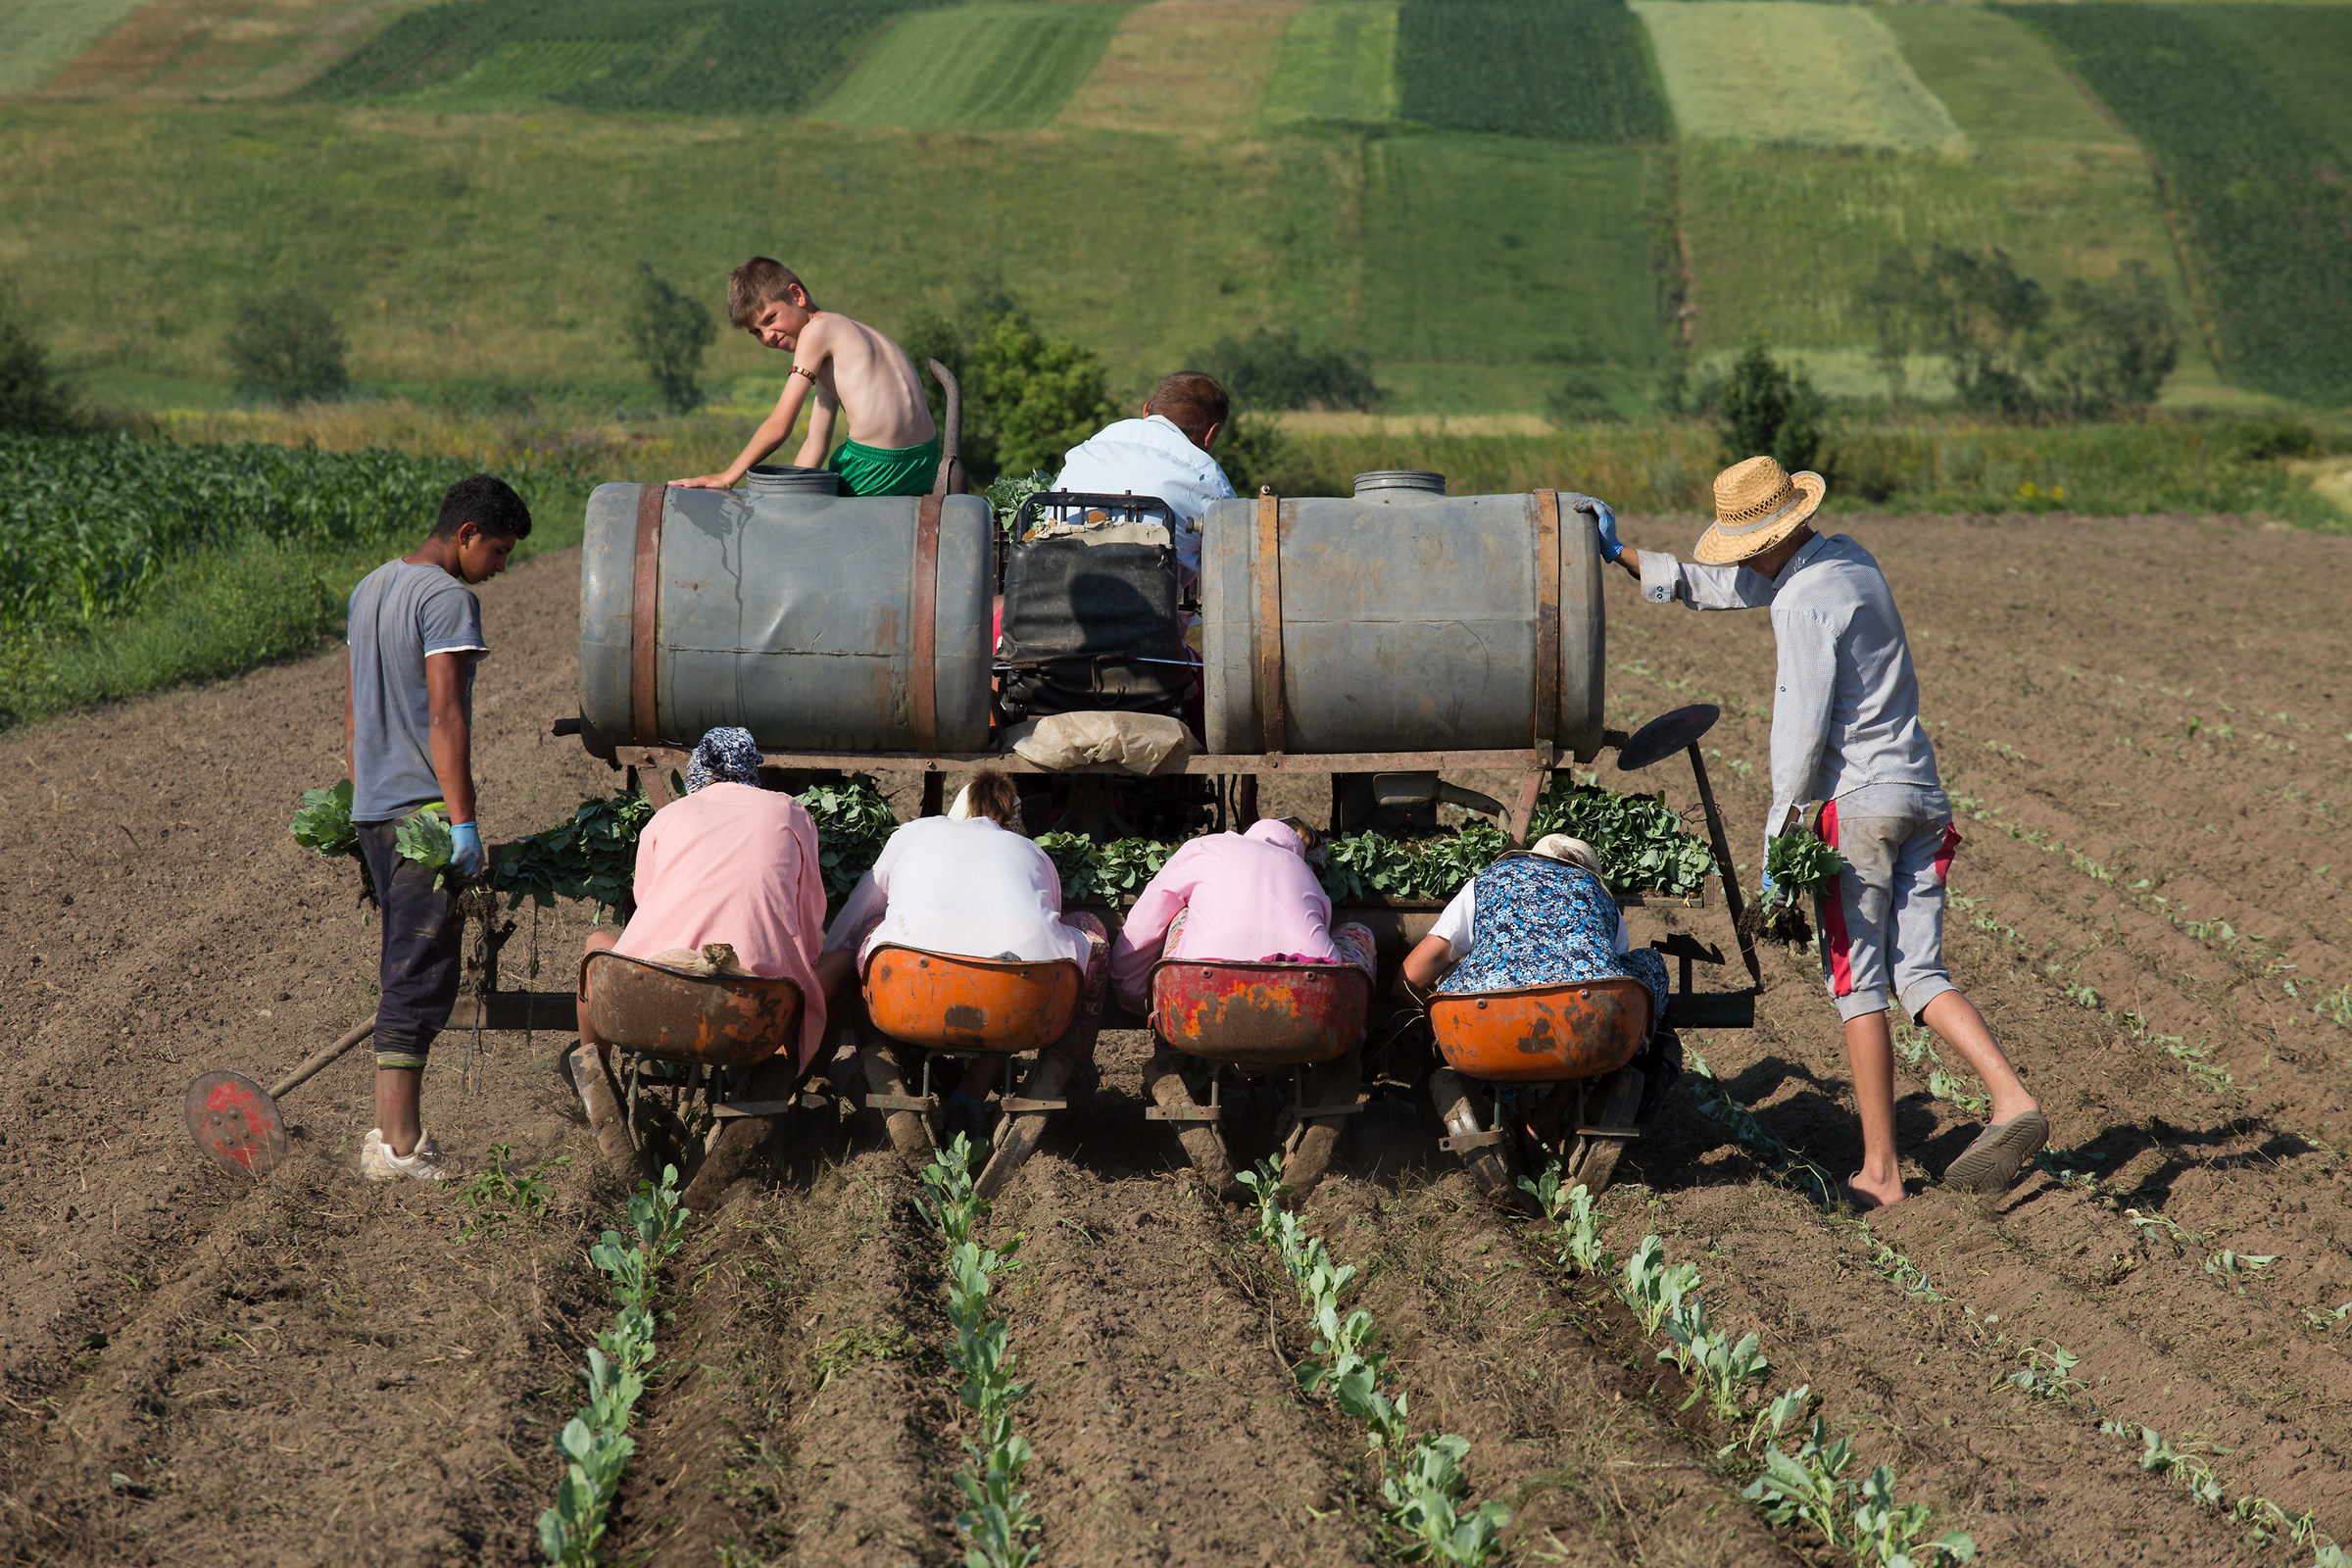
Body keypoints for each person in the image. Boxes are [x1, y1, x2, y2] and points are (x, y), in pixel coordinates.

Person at [1604, 454, 2045, 1206]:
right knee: (1919, 974)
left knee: (1857, 986)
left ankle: (1880, 1172)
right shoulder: (1849, 560)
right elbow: (1725, 585)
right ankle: (2012, 1099)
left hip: (1859, 810)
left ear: (1766, 537)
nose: (1744, 561)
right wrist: (1621, 554)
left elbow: (1800, 741)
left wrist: (1779, 850)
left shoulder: (1800, 604)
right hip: (1920, 795)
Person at [345, 473, 531, 1181]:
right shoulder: (449, 598)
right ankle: (398, 1147)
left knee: (402, 963)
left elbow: (353, 708)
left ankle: (389, 1134)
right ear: (466, 535)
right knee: (417, 977)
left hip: (374, 809)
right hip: (421, 814)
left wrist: (362, 795)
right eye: (501, 550)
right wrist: (463, 824)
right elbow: (446, 716)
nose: (502, 567)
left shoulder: (371, 587)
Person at [818, 770, 1108, 1137]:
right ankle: (1060, 1070)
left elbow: (856, 915)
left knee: (873, 927)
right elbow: (1048, 921)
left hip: (912, 987)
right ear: (1008, 820)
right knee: (1081, 938)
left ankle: (878, 1060)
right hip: (1019, 999)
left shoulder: (912, 834)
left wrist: (833, 960)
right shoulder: (1033, 852)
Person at [581, 726, 829, 1071]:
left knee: (596, 944)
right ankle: (788, 1079)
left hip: (659, 977)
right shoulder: (789, 812)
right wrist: (807, 961)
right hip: (756, 990)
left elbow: (645, 903)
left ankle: (595, 1072)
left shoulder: (666, 817)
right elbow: (808, 912)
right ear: (750, 769)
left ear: (697, 769)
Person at [1398, 834, 1680, 1126]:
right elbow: (1609, 988)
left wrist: (1442, 1027)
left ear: (1532, 858)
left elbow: (1411, 977)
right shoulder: (1597, 895)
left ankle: (1450, 1111)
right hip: (1580, 1026)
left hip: (1485, 1023)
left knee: (1452, 981)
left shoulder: (1487, 881)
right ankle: (1570, 1108)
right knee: (1645, 966)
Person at [674, 257, 940, 498]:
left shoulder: (817, 331)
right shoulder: (854, 339)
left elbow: (780, 426)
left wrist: (727, 477)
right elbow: (815, 445)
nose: (767, 336)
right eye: (756, 332)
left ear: (796, 295)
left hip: (876, 464)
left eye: (770, 319)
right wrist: (791, 496)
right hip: (924, 462)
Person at [1109, 818, 1375, 1015]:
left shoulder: (1205, 847)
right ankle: (1345, 1057)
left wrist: (1134, 994)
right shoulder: (1307, 876)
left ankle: (1172, 1058)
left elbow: (1145, 924)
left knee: (1181, 915)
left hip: (1199, 995)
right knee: (1357, 932)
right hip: (1307, 1004)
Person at [1050, 370, 1236, 585]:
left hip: (1052, 593)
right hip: (1145, 612)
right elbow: (1229, 562)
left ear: (1146, 409)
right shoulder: (1210, 480)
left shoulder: (1089, 447)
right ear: (1211, 433)